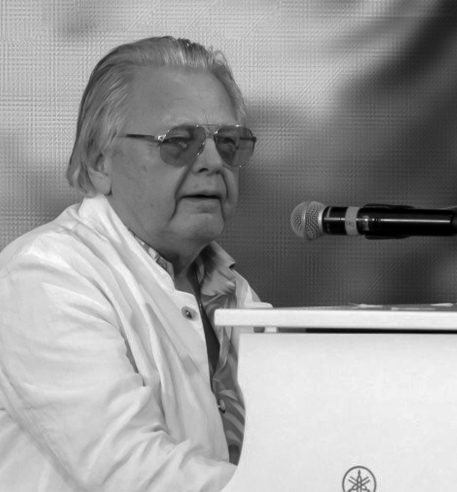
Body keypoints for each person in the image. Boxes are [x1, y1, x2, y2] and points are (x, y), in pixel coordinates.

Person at [0, 36, 267, 492]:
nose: (212, 162)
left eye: (228, 142)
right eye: (179, 142)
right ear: (99, 161)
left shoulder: (232, 290)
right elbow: (132, 472)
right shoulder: (44, 276)